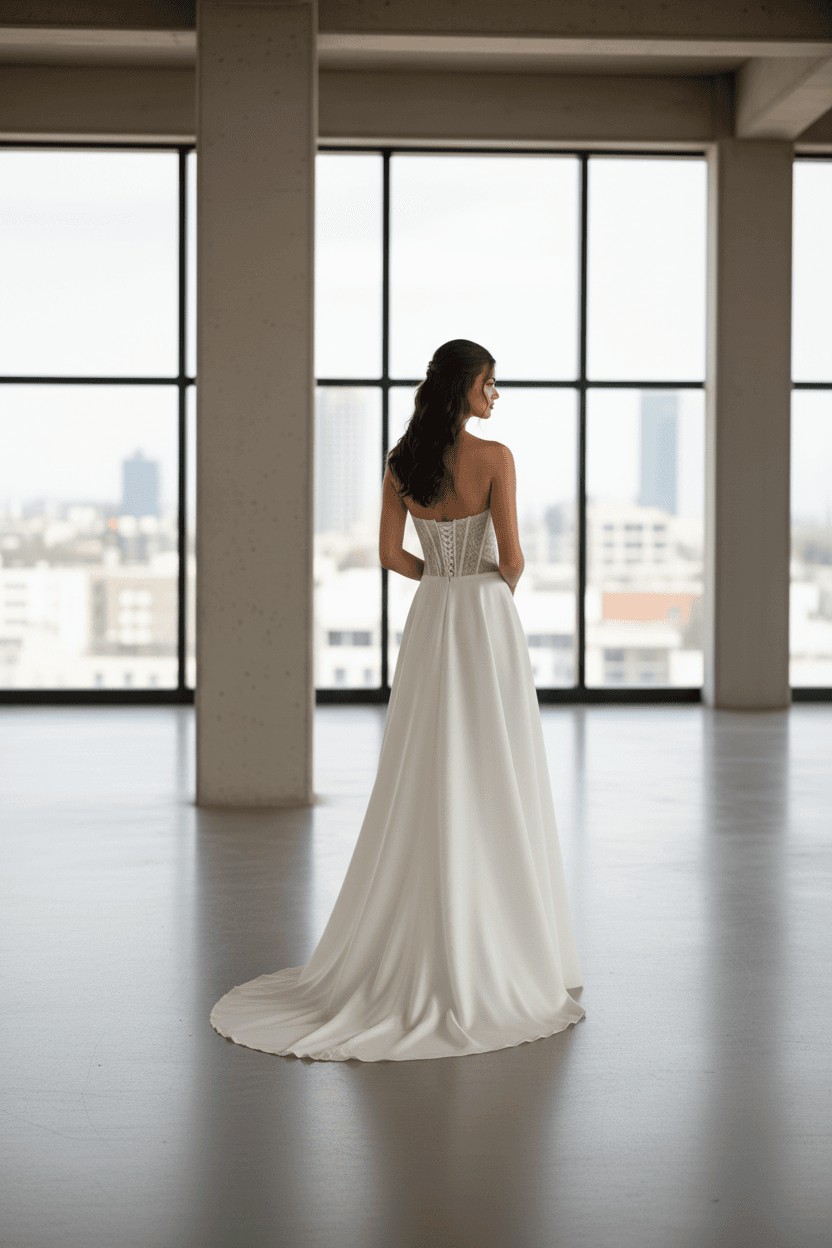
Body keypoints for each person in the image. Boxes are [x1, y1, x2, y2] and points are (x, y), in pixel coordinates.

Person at [210, 339, 585, 1062]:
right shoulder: (496, 458)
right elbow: (512, 559)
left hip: (432, 616)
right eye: (490, 383)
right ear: (465, 388)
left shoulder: (399, 463)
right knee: (494, 764)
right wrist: (482, 595)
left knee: (424, 765)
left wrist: (442, 585)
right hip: (484, 619)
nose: (496, 396)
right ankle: (508, 943)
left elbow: (389, 556)